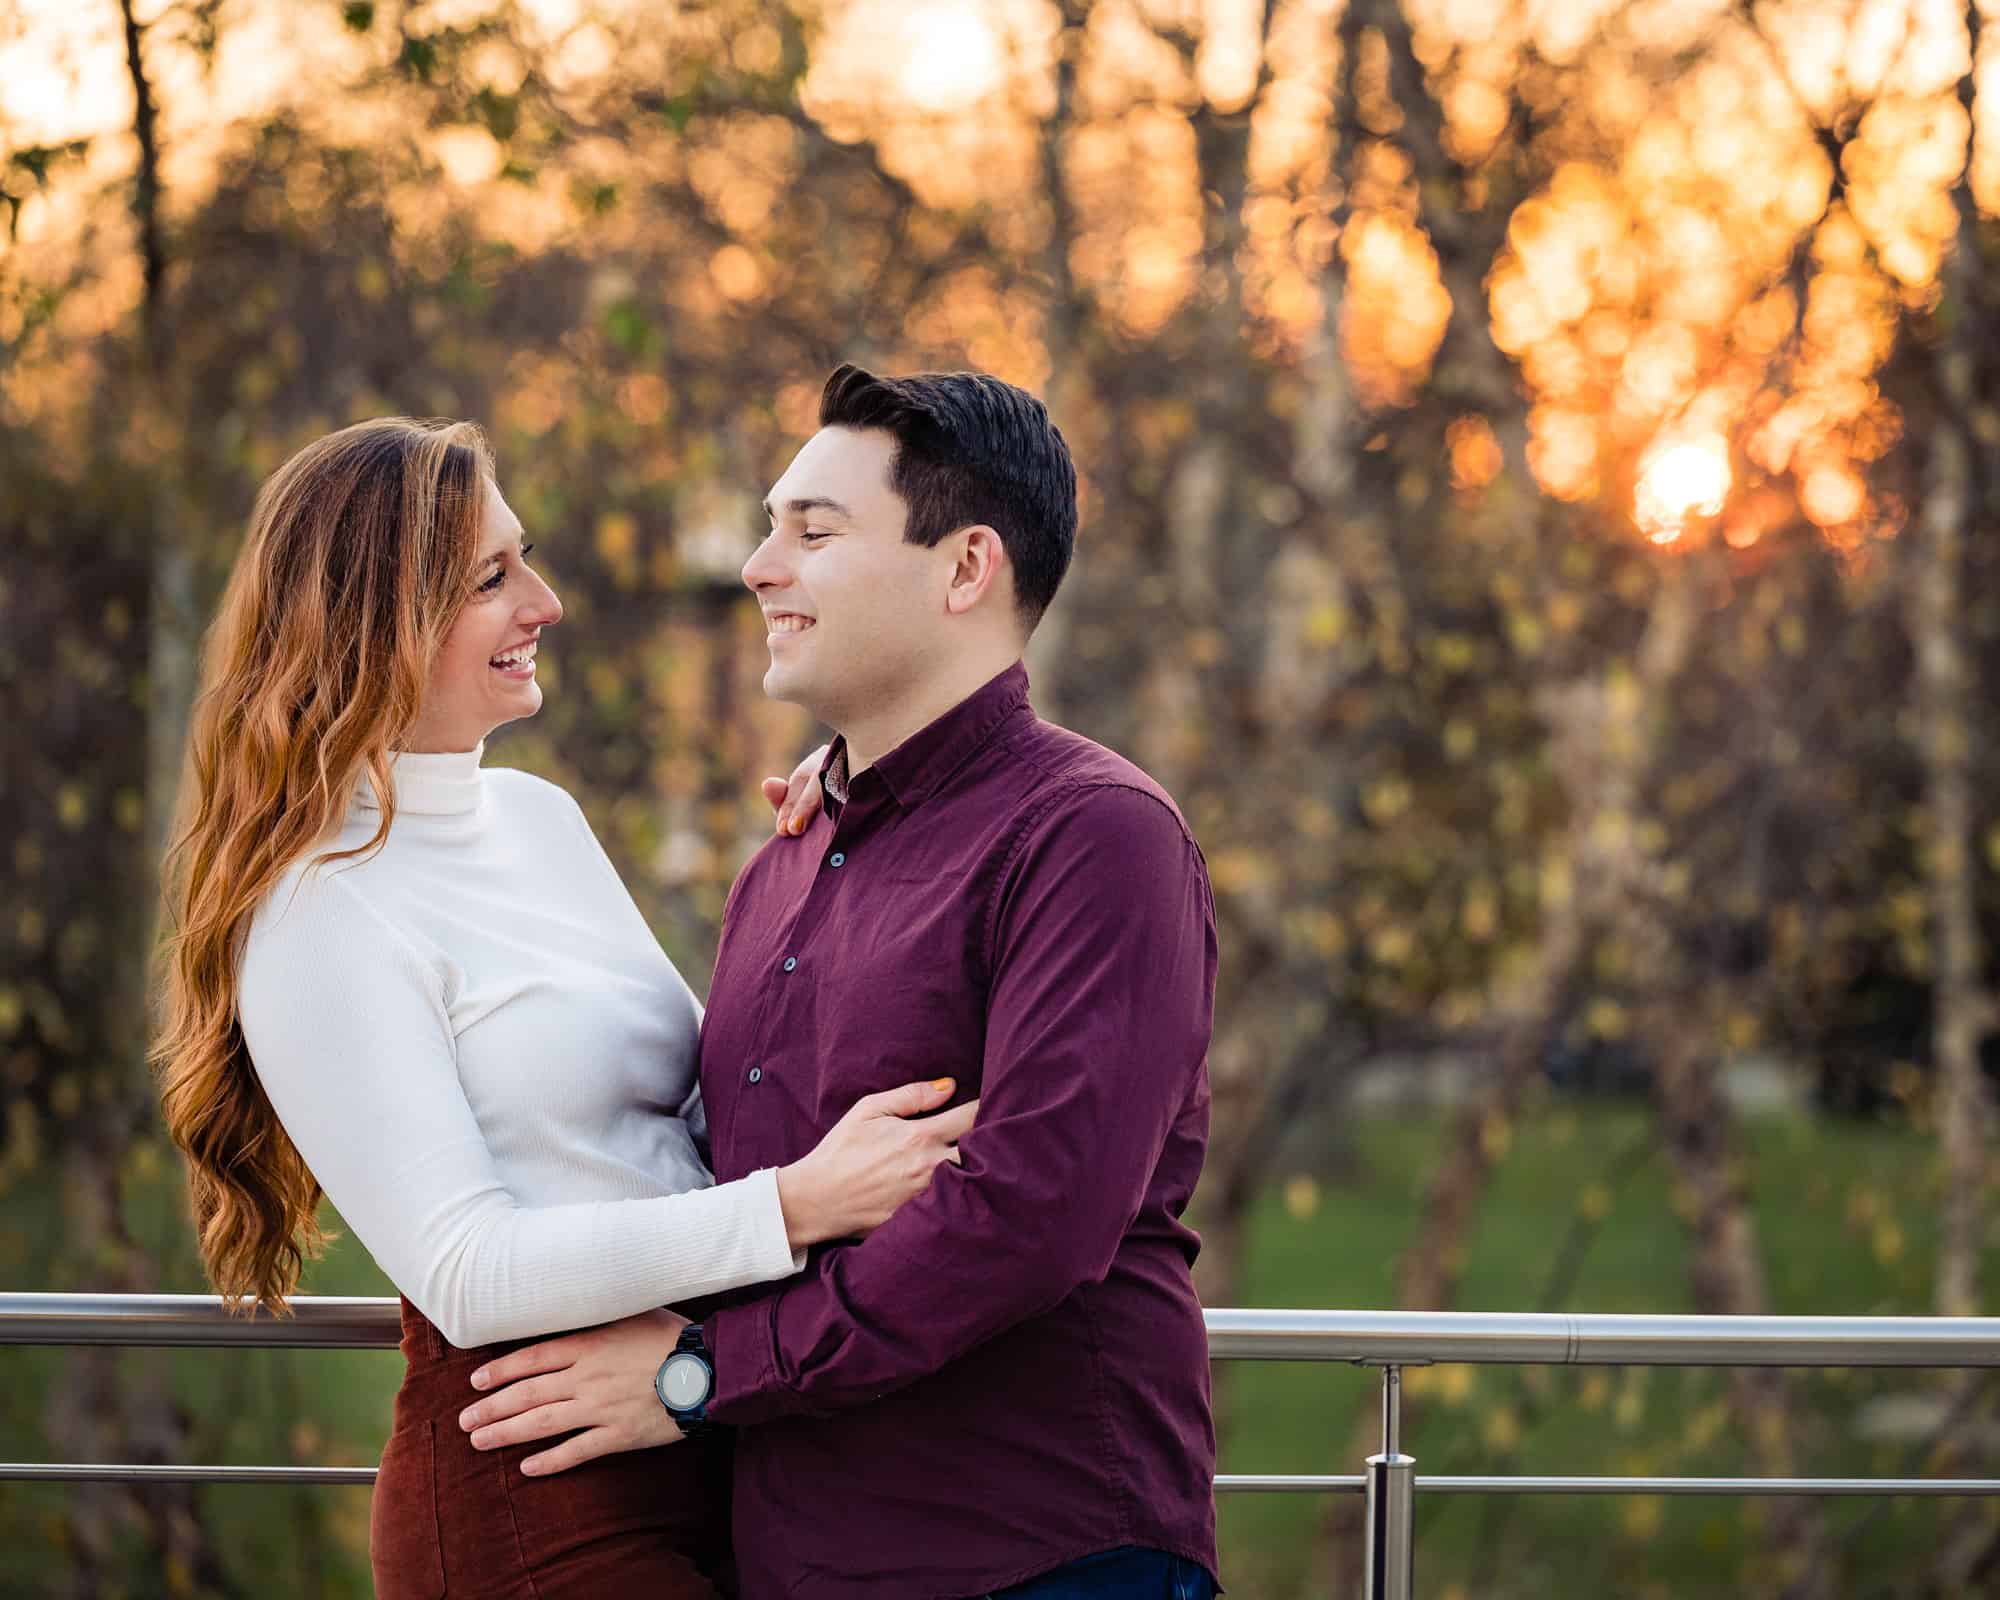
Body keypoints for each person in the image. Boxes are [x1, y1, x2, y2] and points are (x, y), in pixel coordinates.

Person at [152, 417, 975, 1599]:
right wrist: (789, 1209)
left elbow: (708, 1098)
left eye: (522, 558)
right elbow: (467, 1269)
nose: (544, 602)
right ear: (378, 617)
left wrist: (852, 814)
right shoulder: (317, 912)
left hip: (707, 1427)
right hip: (532, 1483)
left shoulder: (538, 818)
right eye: (492, 578)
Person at [458, 367, 1222, 1600]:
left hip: (1034, 1554)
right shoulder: (785, 863)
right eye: (770, 528)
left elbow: (1029, 1218)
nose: (761, 567)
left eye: (812, 532)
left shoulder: (1094, 836)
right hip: (790, 1560)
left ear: (965, 569)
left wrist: (701, 1374)